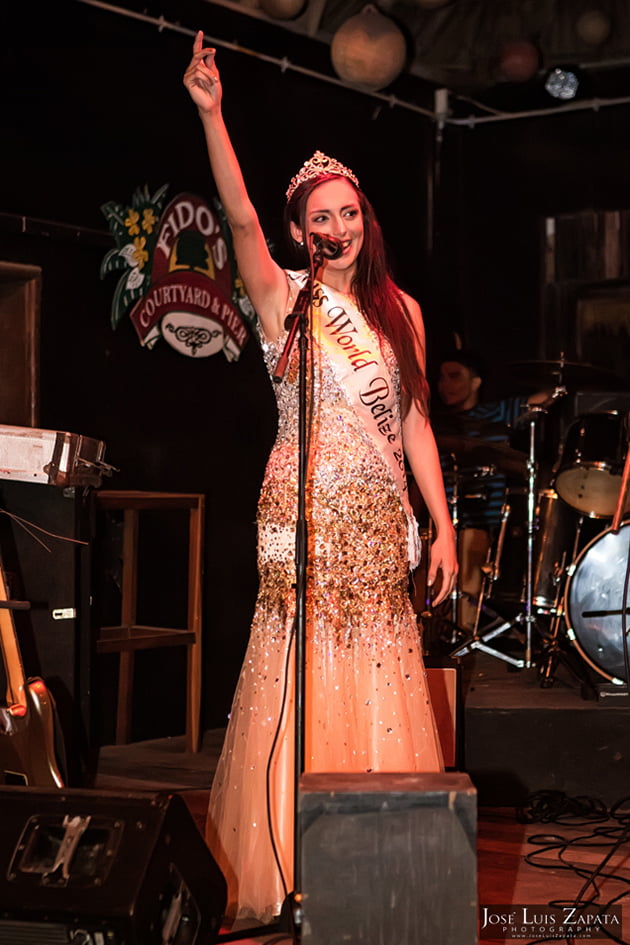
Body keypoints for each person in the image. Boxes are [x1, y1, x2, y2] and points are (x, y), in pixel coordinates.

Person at [183, 32, 458, 925]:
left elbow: (413, 421)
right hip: (299, 513)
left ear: (364, 219)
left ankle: (378, 874)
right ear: (302, 232)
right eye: (320, 218)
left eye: (348, 212)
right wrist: (213, 114)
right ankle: (291, 869)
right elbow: (238, 221)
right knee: (297, 674)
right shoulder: (284, 297)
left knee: (377, 672)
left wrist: (443, 524)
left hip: (377, 520)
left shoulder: (402, 311)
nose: (337, 227)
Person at [432, 349, 550, 632]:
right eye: (441, 378)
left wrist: (559, 381)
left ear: (476, 382)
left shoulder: (497, 412)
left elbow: (542, 400)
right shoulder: (434, 422)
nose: (444, 385)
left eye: (454, 376)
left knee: (472, 555)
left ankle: (464, 628)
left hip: (486, 518)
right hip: (442, 517)